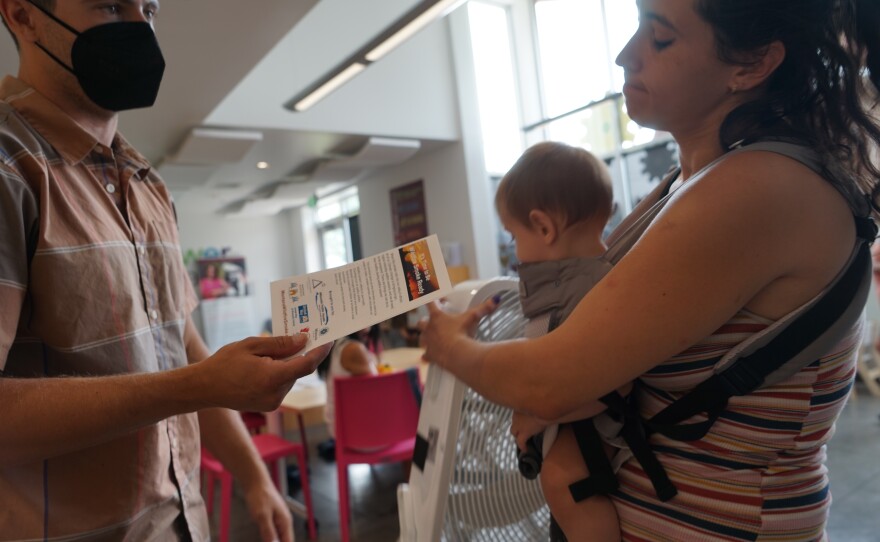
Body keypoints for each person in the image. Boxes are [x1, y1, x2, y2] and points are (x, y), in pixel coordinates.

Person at [420, 0, 880, 539]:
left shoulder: (758, 187)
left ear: (752, 64)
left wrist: (449, 345)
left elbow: (549, 382)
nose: (624, 56)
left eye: (659, 40)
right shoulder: (690, 181)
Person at [0, 1, 331, 541]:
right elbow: (192, 377)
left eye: (148, 8)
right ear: (22, 14)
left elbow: (184, 342)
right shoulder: (10, 169)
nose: (138, 26)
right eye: (109, 5)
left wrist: (253, 476)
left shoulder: (145, 182)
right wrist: (193, 386)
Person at [495, 141, 623, 541]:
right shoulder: (567, 281)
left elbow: (614, 384)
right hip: (571, 417)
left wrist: (542, 414)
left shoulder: (590, 288)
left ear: (544, 227)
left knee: (562, 480)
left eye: (513, 236)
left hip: (595, 422)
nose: (515, 248)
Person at [320, 326, 382, 441]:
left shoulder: (338, 344)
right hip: (357, 434)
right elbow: (378, 395)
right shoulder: (353, 349)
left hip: (342, 428)